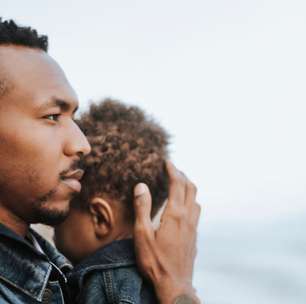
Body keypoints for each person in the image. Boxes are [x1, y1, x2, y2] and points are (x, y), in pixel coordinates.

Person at [0, 18, 201, 304]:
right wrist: (179, 290)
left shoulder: (56, 277)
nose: (82, 144)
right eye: (52, 116)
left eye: (74, 117)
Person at [54, 99, 171, 303]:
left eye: (67, 202)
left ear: (100, 218)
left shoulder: (103, 284)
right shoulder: (156, 283)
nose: (54, 223)